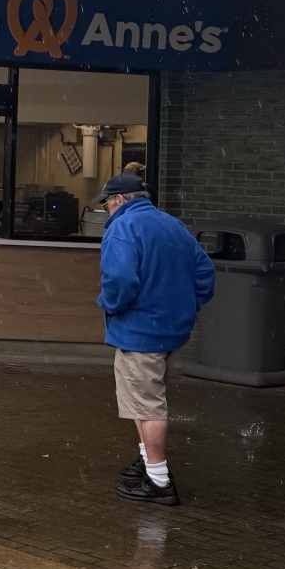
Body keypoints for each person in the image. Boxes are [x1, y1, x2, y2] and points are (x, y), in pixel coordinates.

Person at [97, 170, 215, 506]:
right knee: (144, 400)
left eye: (106, 203)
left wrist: (109, 304)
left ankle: (159, 480)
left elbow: (119, 280)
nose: (106, 210)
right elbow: (204, 272)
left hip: (138, 331)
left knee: (147, 405)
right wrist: (186, 306)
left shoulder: (123, 227)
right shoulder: (171, 224)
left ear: (119, 199)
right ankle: (147, 459)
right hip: (171, 329)